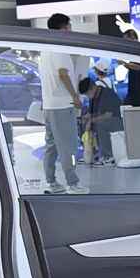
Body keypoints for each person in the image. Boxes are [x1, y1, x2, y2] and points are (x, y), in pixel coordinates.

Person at [40, 13, 89, 194]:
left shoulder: (45, 50)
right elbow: (63, 74)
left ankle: (51, 182)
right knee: (69, 146)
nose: (71, 30)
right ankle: (73, 183)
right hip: (63, 106)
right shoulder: (59, 49)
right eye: (70, 26)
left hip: (49, 105)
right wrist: (75, 97)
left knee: (51, 146)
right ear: (64, 27)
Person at [79, 76, 122, 167]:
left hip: (118, 120)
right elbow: (90, 113)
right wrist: (84, 119)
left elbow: (108, 115)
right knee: (82, 123)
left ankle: (109, 157)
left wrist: (91, 120)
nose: (88, 96)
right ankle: (90, 154)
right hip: (105, 119)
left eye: (88, 94)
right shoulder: (93, 96)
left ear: (94, 87)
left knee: (100, 125)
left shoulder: (107, 93)